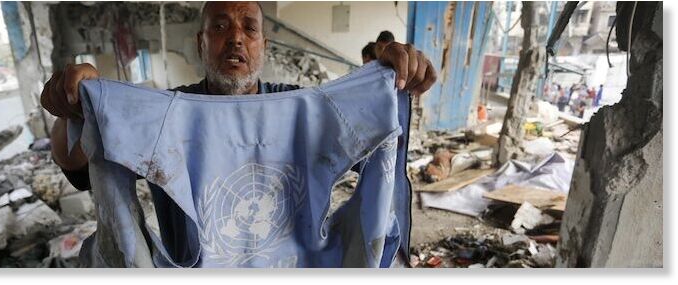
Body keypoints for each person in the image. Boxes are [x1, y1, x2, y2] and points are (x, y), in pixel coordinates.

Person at [40, 1, 437, 266]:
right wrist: (75, 103)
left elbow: (370, 144)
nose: (235, 38)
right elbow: (77, 164)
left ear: (263, 45)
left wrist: (388, 80)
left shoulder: (305, 108)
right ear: (201, 43)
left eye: (249, 28)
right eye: (219, 27)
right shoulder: (163, 113)